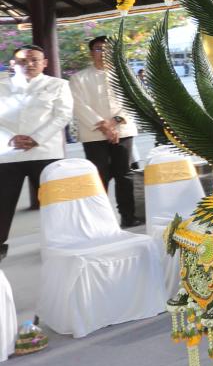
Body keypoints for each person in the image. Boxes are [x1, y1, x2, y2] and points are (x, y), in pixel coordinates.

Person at [0, 46, 73, 260]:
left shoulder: (58, 85)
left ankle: (61, 242)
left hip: (45, 151)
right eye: (23, 61)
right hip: (8, 152)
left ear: (45, 63)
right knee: (3, 201)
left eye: (34, 60)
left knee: (54, 201)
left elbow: (63, 115)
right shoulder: (2, 86)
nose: (29, 64)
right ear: (13, 64)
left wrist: (36, 138)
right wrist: (10, 138)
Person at [69, 35, 138, 228]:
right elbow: (78, 105)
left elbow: (133, 101)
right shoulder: (78, 78)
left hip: (123, 131)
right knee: (98, 176)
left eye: (108, 49)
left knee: (125, 175)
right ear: (91, 53)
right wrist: (104, 126)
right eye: (99, 49)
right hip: (93, 134)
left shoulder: (125, 75)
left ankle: (128, 216)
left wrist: (114, 122)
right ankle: (100, 221)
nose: (104, 53)